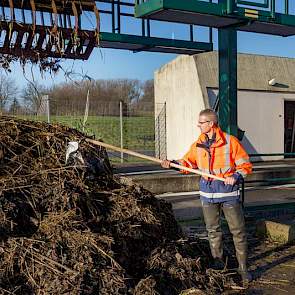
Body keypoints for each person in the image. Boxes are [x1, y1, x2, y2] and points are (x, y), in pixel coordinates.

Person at [161, 109, 252, 283]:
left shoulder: (230, 142)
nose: (198, 125)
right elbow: (187, 163)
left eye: (201, 122)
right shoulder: (198, 144)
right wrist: (171, 163)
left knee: (238, 232)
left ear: (211, 123)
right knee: (212, 231)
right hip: (208, 195)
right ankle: (219, 266)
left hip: (228, 194)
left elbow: (245, 165)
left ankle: (243, 269)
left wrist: (236, 176)